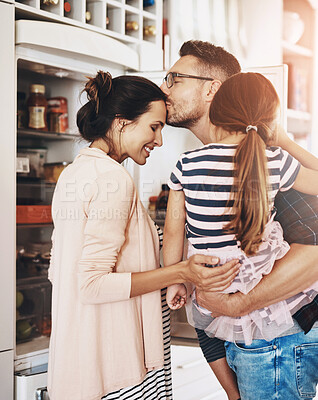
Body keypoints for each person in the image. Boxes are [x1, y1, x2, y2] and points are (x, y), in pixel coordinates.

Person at [47, 71, 240, 400]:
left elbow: (61, 271)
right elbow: (91, 284)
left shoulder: (75, 171)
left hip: (80, 361)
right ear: (121, 122)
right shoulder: (114, 180)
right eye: (154, 127)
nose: (159, 140)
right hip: (117, 366)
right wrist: (181, 271)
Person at [161, 40, 318, 400]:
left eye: (174, 79)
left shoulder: (187, 166)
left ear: (213, 91)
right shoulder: (271, 162)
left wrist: (177, 280)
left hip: (281, 337)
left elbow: (315, 252)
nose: (163, 88)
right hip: (261, 340)